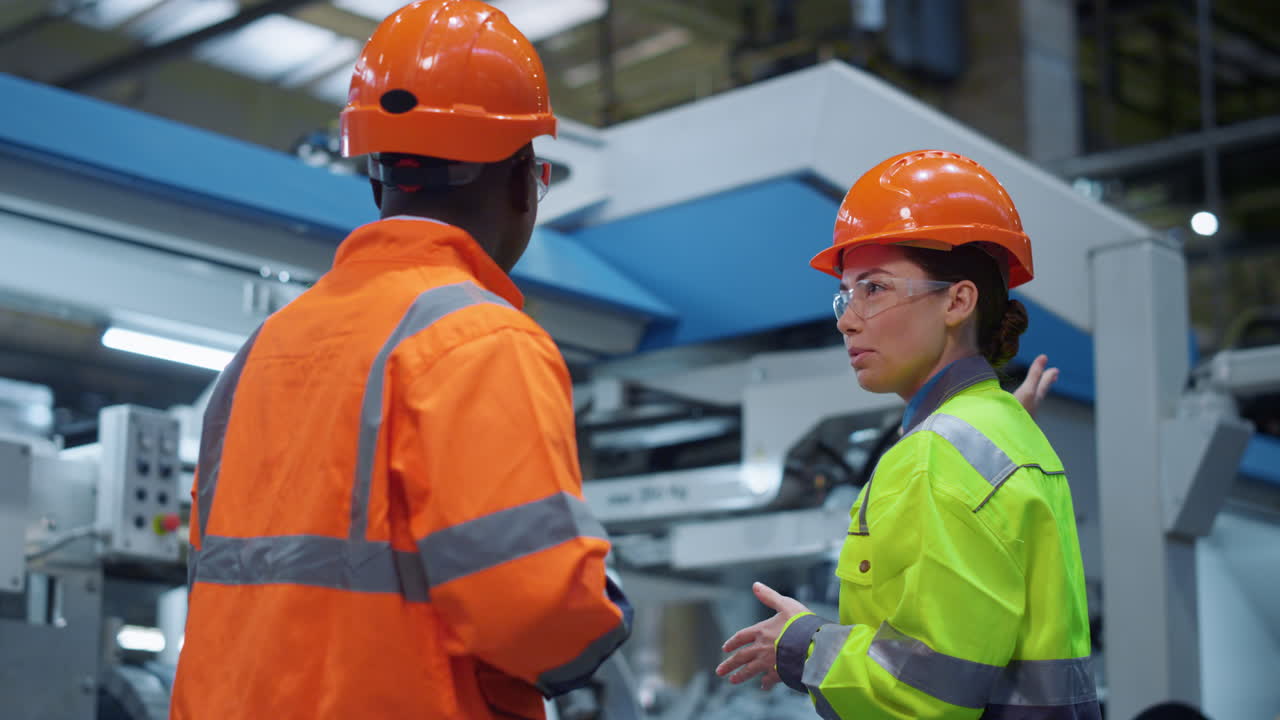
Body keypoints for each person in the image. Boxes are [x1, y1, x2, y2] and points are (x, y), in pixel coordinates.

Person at [171, 2, 630, 718]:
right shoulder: (479, 338)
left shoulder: (262, 352)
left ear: (377, 179)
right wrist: (599, 614)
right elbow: (534, 608)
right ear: (520, 182)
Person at [715, 150, 1100, 719]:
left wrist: (801, 646)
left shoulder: (937, 455)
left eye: (874, 289)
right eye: (846, 295)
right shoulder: (1000, 431)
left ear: (958, 301)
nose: (847, 319)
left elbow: (926, 693)